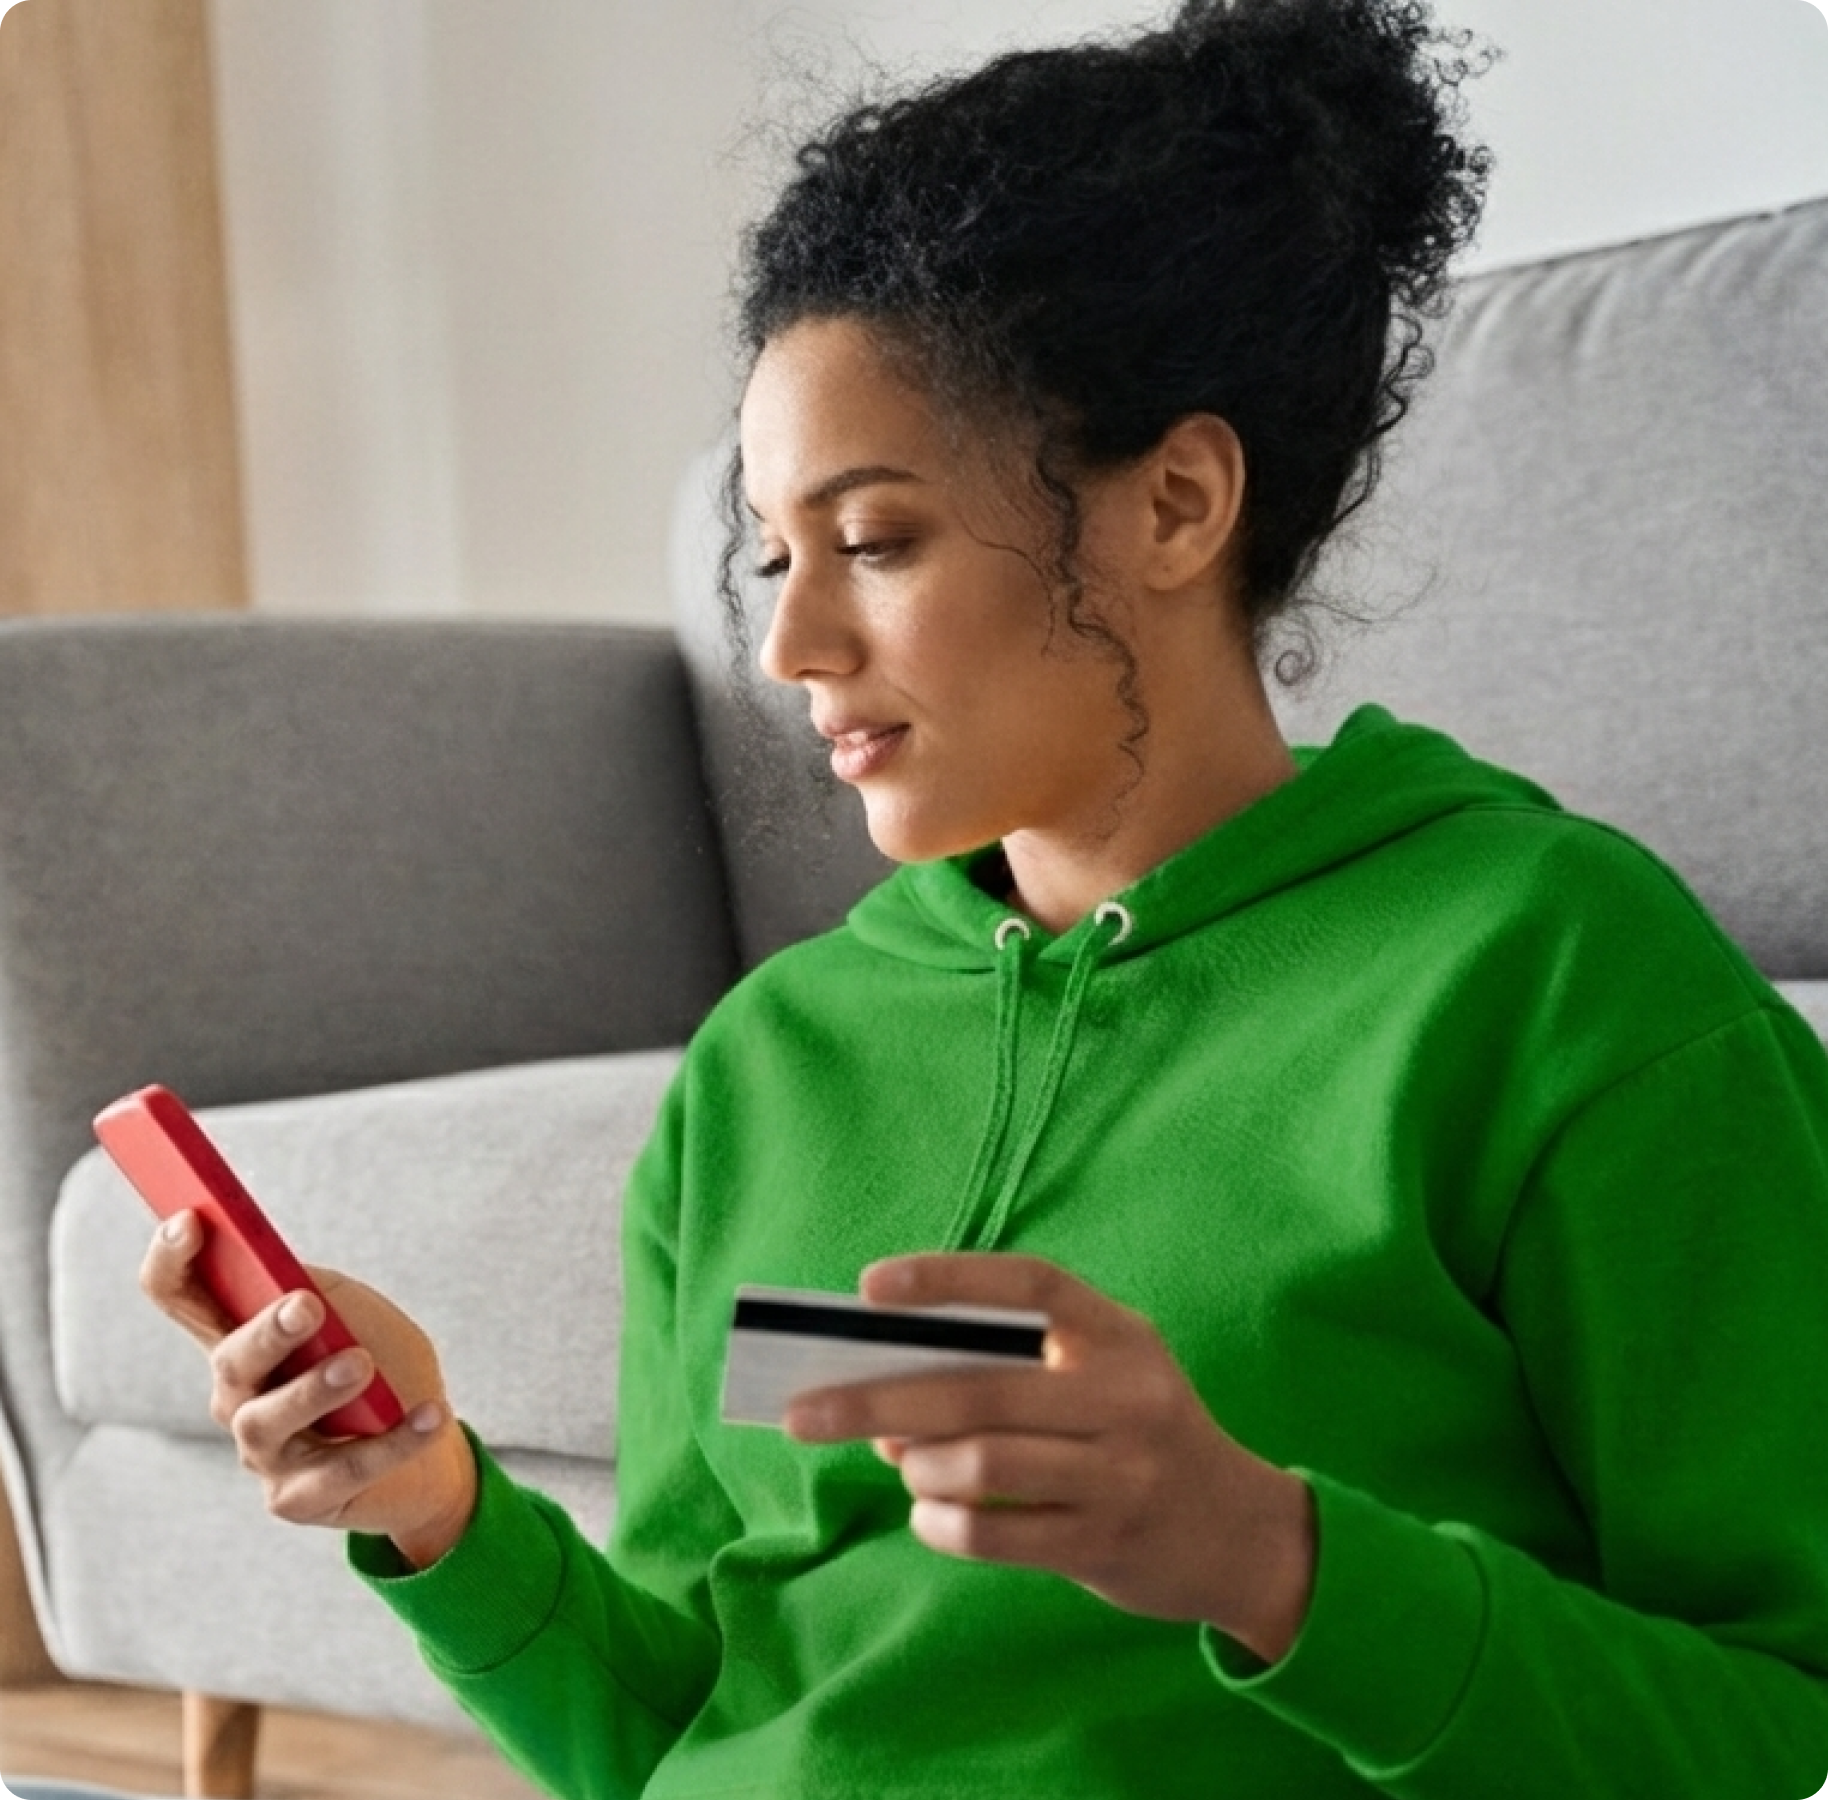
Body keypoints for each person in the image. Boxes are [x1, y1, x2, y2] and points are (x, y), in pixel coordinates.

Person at [118, 1, 1828, 1796]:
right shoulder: (773, 1062)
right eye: (773, 557)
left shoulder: (1553, 978)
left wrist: (1278, 1565)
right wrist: (438, 1507)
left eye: (875, 542)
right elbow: (685, 1728)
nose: (785, 642)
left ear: (1174, 504)